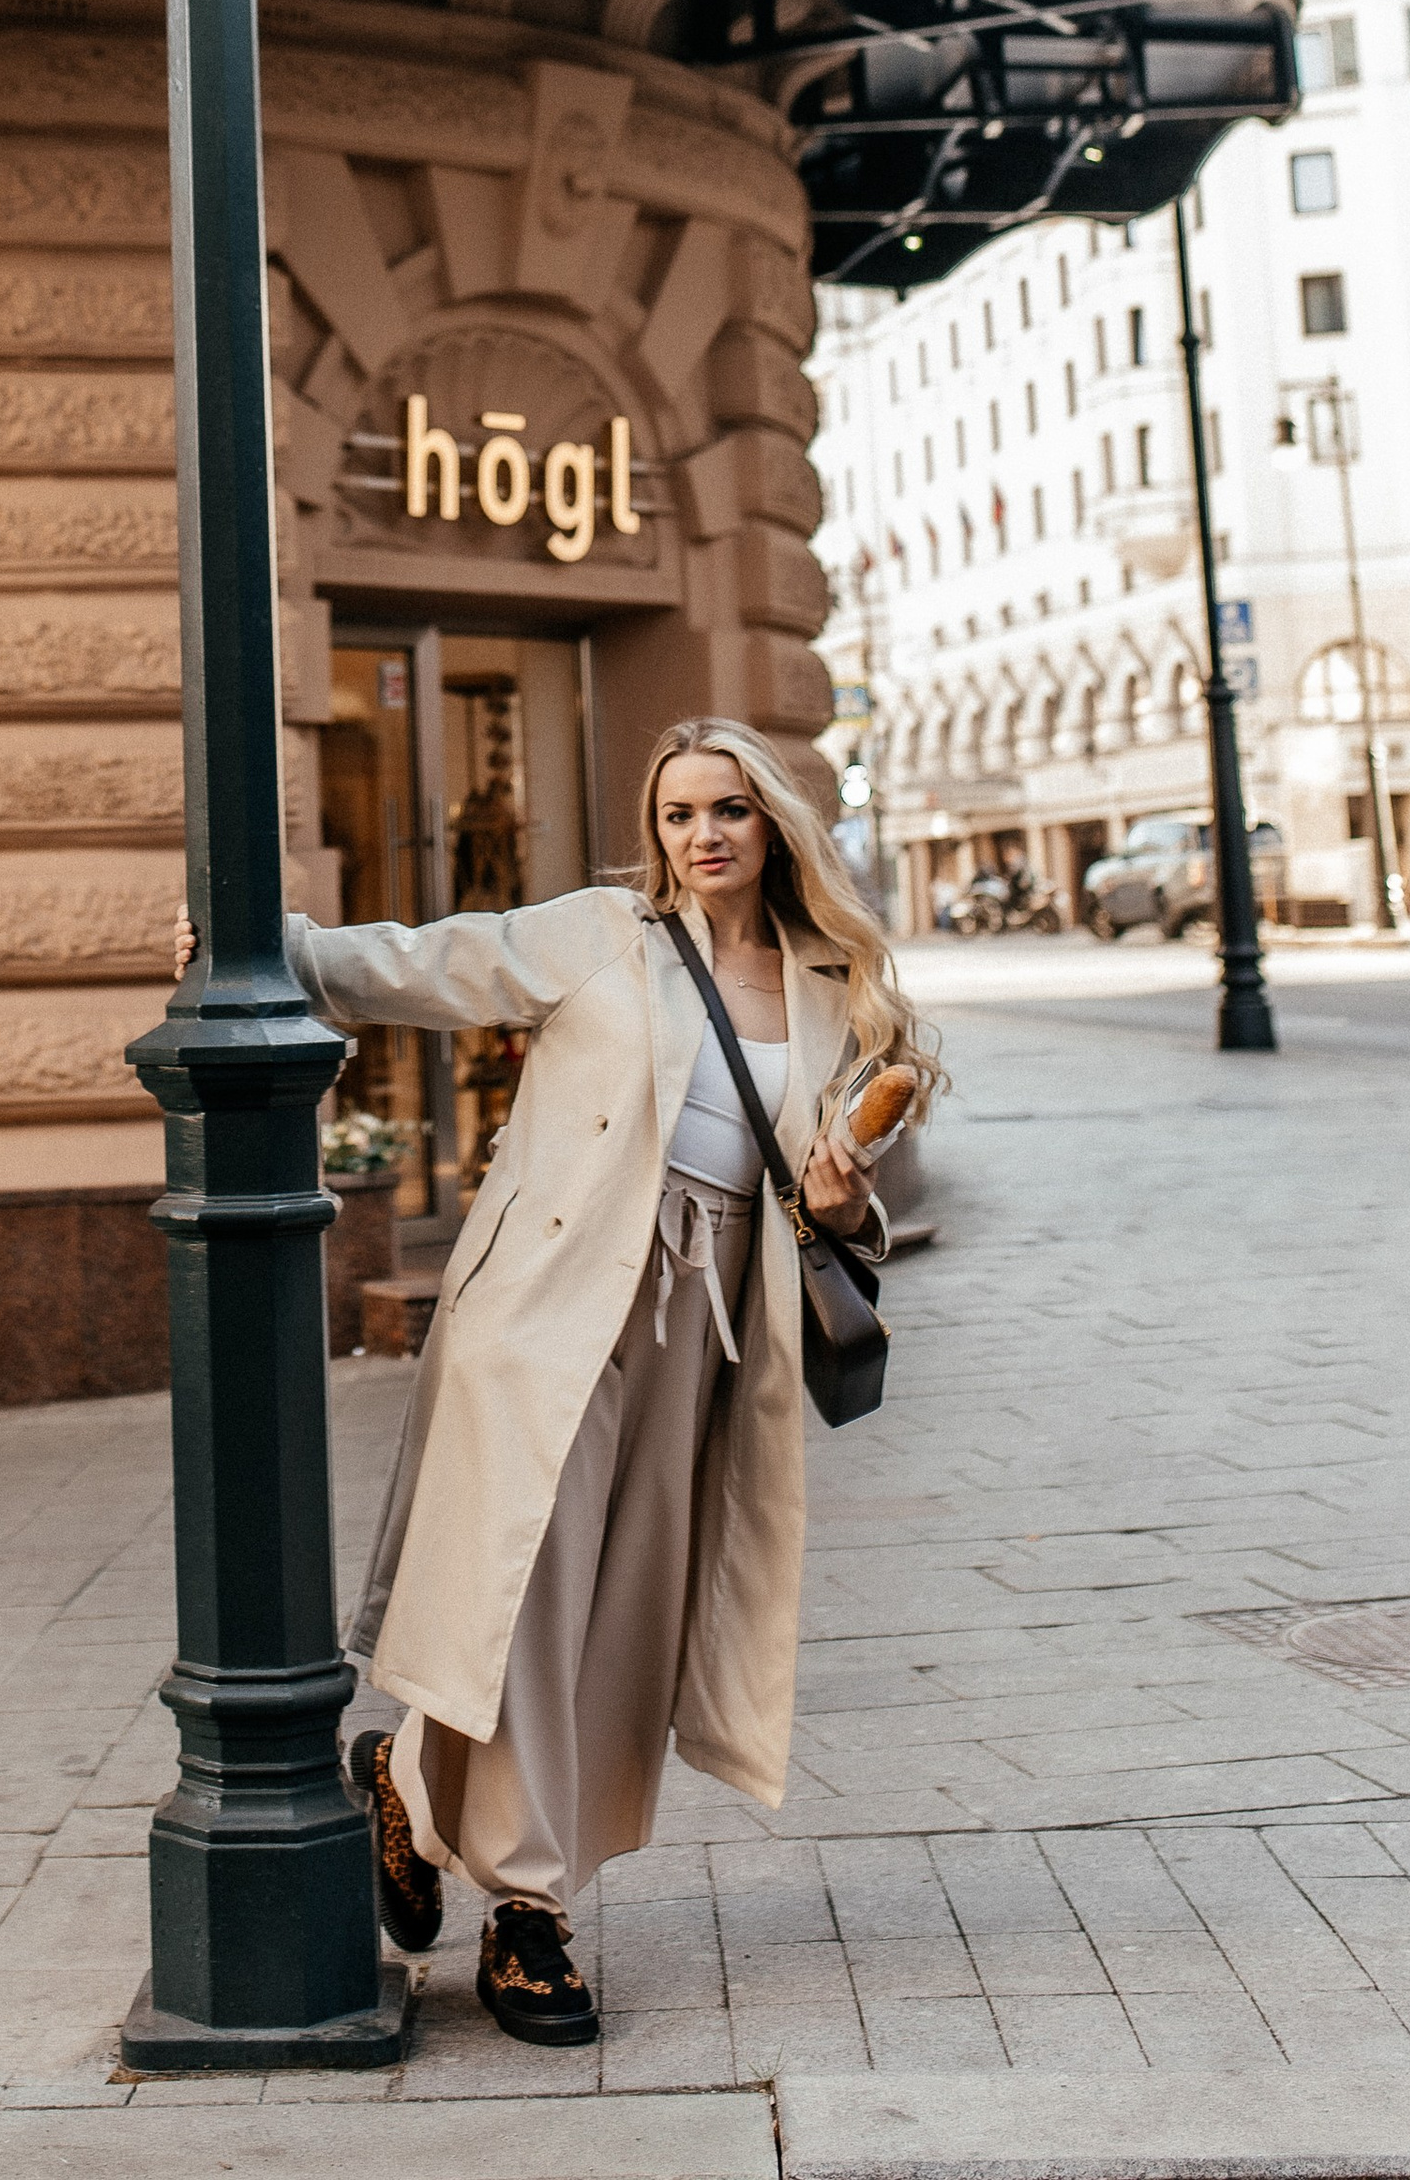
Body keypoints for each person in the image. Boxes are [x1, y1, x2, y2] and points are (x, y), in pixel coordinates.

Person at [178, 714, 936, 2045]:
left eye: (729, 810)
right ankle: (527, 1912)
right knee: (522, 1590)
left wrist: (833, 1195)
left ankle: (405, 1789)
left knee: (617, 1616)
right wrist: (272, 954)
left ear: (774, 825)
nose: (703, 834)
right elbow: (427, 965)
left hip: (703, 1332)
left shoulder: (839, 988)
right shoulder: (604, 934)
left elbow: (831, 1208)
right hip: (552, 1307)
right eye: (679, 812)